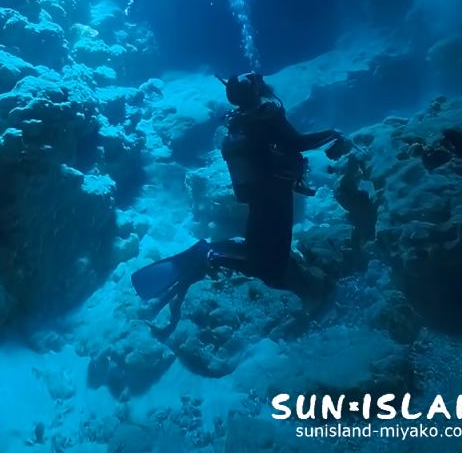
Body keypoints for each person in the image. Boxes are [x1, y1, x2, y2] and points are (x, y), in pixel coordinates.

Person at [131, 72, 347, 322]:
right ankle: (211, 256)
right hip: (275, 191)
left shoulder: (239, 120)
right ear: (255, 91)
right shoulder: (266, 115)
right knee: (273, 261)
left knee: (257, 247)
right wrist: (332, 133)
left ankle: (204, 260)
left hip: (256, 193)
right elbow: (295, 143)